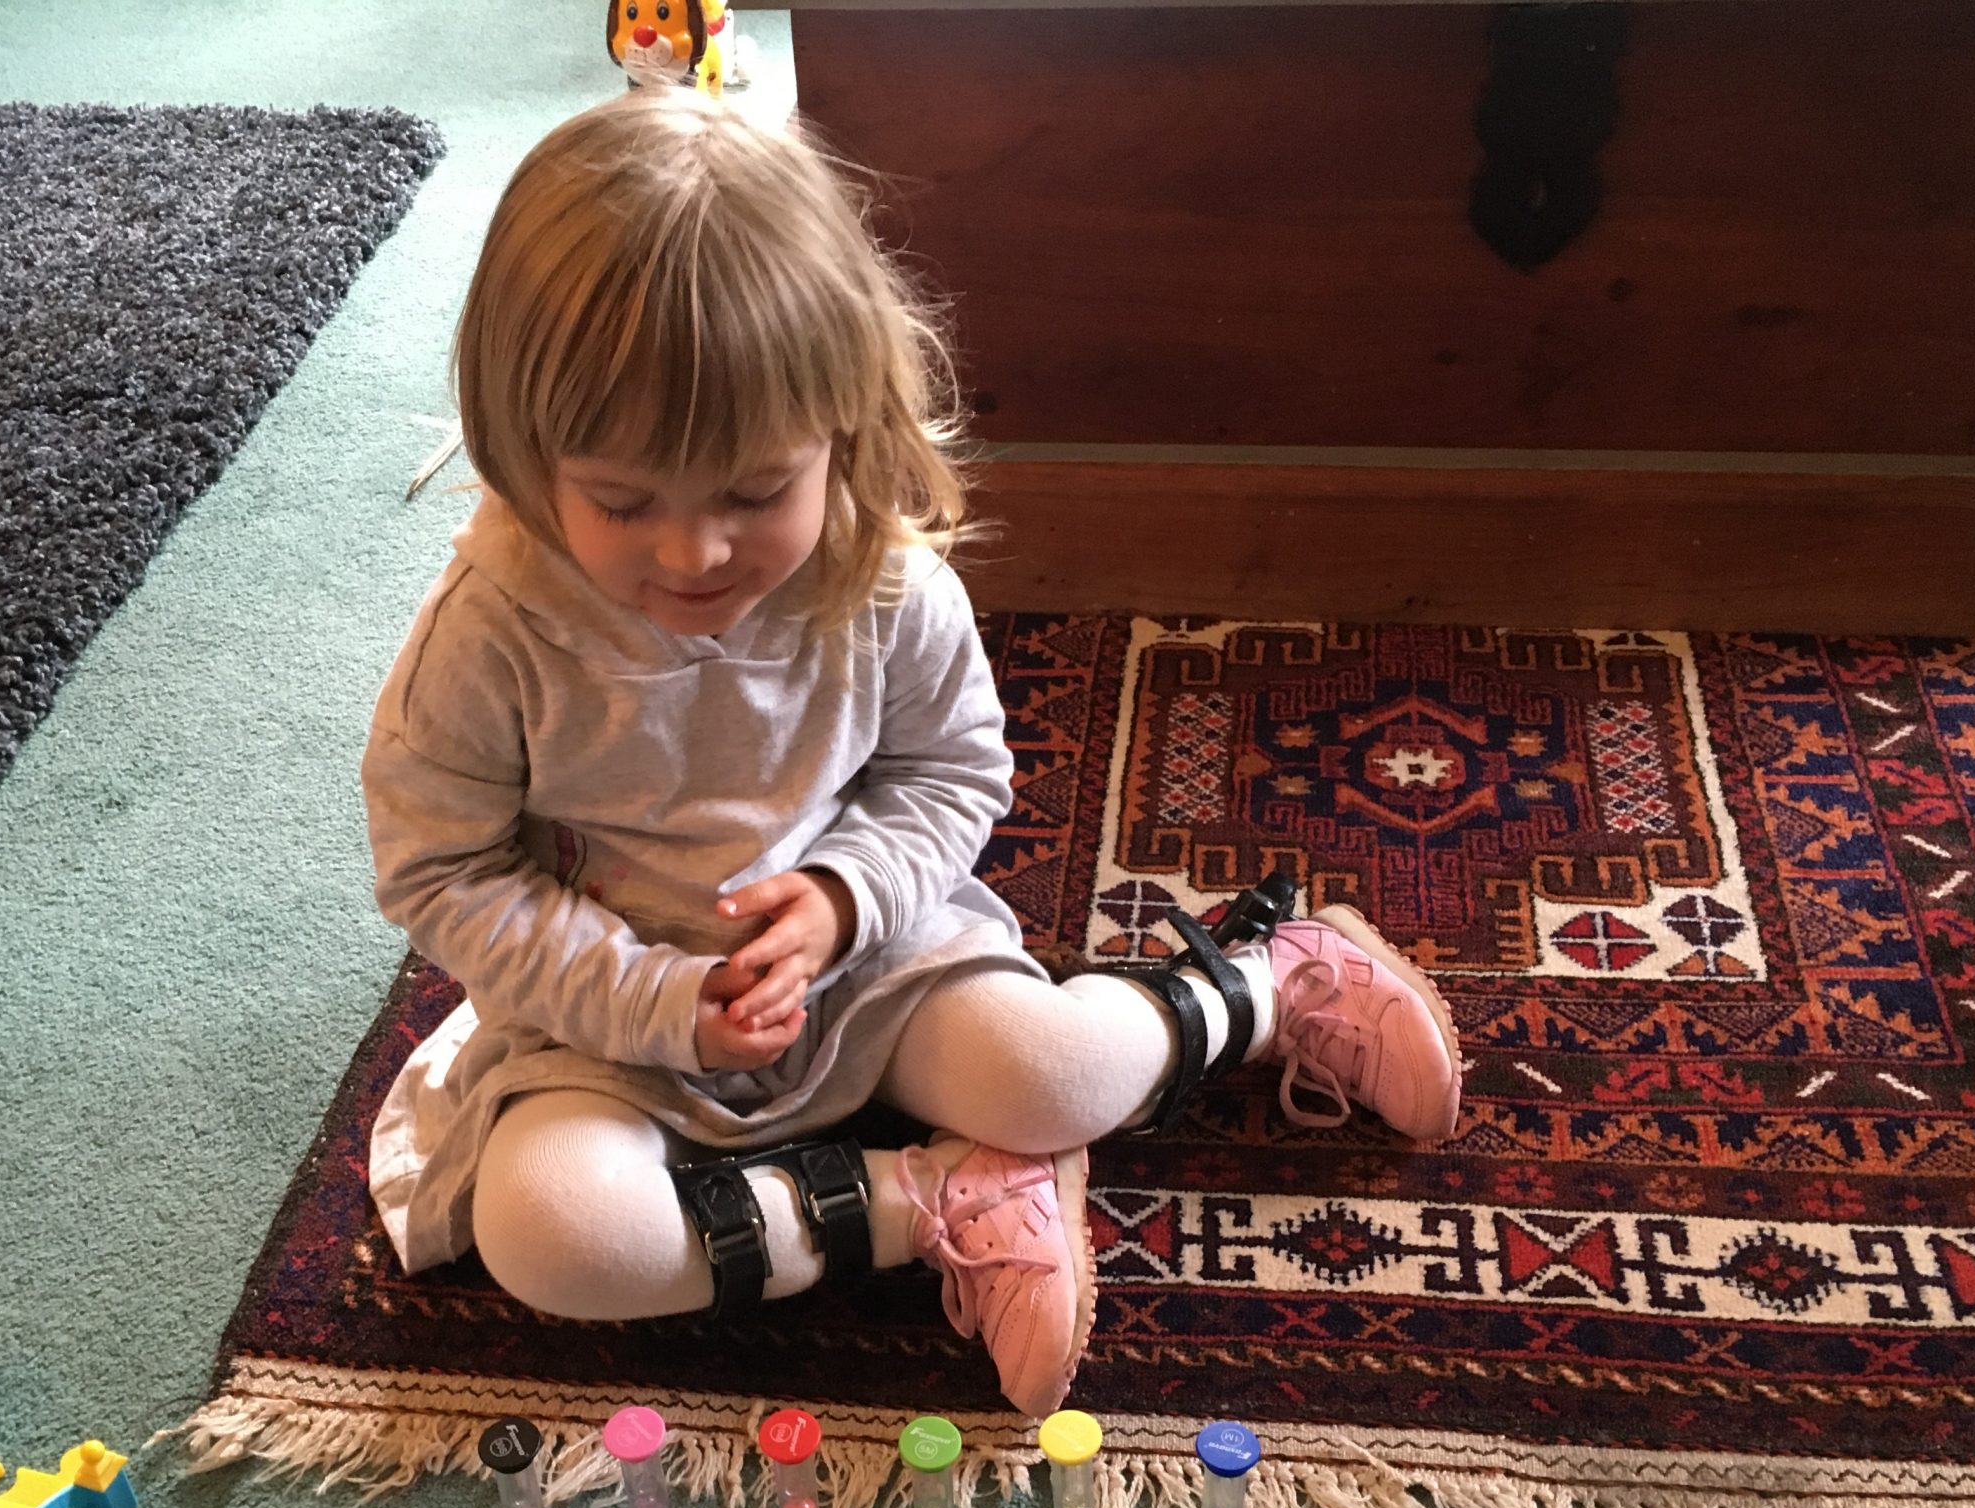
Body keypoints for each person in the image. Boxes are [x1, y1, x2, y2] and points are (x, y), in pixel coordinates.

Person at [360, 87, 1462, 1418]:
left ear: (847, 425)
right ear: (525, 453)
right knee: (553, 1236)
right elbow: (441, 871)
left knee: (1048, 1072)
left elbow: (953, 774)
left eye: (758, 492)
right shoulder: (489, 636)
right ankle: (942, 1198)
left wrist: (841, 898)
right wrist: (654, 1002)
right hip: (607, 1032)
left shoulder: (882, 581)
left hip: (874, 969)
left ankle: (1271, 986)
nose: (695, 553)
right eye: (620, 500)